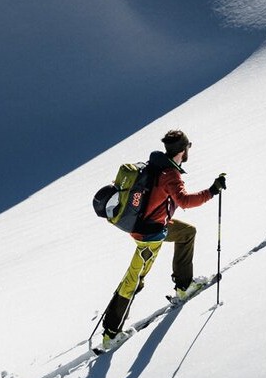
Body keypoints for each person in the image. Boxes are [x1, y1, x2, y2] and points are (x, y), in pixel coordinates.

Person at [97, 129, 226, 351]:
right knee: (134, 280)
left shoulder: (157, 165)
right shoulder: (170, 175)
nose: (188, 151)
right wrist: (212, 191)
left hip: (157, 224)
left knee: (187, 233)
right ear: (183, 150)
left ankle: (184, 286)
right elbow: (184, 201)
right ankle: (111, 334)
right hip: (149, 235)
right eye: (188, 147)